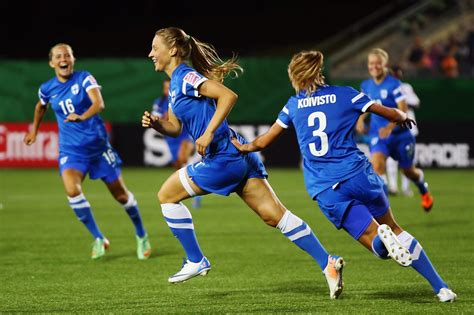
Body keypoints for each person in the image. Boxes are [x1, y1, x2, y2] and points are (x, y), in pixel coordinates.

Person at [232, 50, 457, 303]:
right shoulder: (346, 94)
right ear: (319, 72)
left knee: (378, 246)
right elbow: (390, 113)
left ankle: (383, 241)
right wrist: (403, 117)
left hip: (328, 189)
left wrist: (245, 147)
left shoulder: (293, 105)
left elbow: (264, 141)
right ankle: (441, 287)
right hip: (359, 175)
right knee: (394, 228)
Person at [142, 27, 344, 299]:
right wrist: (158, 124)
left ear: (173, 50)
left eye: (155, 47)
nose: (150, 53)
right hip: (239, 154)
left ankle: (195, 259)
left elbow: (228, 96)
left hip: (222, 157)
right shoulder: (175, 87)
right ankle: (328, 263)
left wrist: (209, 132)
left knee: (166, 195)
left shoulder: (185, 76)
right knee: (275, 216)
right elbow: (175, 127)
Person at [23, 43, 151, 260]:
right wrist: (34, 130)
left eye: (67, 55)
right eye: (58, 56)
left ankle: (141, 234)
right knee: (72, 191)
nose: (63, 59)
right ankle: (99, 237)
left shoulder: (84, 78)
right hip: (71, 151)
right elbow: (40, 106)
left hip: (98, 149)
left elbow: (98, 103)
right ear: (52, 62)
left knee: (121, 196)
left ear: (73, 59)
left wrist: (82, 116)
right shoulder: (47, 88)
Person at [356, 48, 434, 212]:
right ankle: (384, 214)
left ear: (385, 65)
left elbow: (403, 112)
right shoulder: (366, 85)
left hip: (401, 136)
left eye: (378, 63)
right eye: (371, 63)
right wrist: (361, 120)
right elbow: (364, 106)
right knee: (377, 168)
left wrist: (390, 126)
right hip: (379, 135)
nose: (374, 66)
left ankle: (424, 190)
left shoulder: (394, 84)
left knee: (409, 172)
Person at [151, 78, 202, 208]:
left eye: (169, 87)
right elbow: (155, 118)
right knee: (179, 166)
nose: (167, 90)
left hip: (185, 136)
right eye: (165, 88)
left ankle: (197, 190)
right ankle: (194, 188)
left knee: (182, 158)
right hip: (171, 138)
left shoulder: (180, 99)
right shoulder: (160, 102)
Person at [385, 65, 421, 197]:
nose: (395, 75)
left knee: (407, 159)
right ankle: (393, 186)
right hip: (391, 127)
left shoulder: (405, 87)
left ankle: (405, 188)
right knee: (390, 158)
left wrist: (402, 103)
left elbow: (416, 103)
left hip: (408, 126)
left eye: (396, 73)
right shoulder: (385, 87)